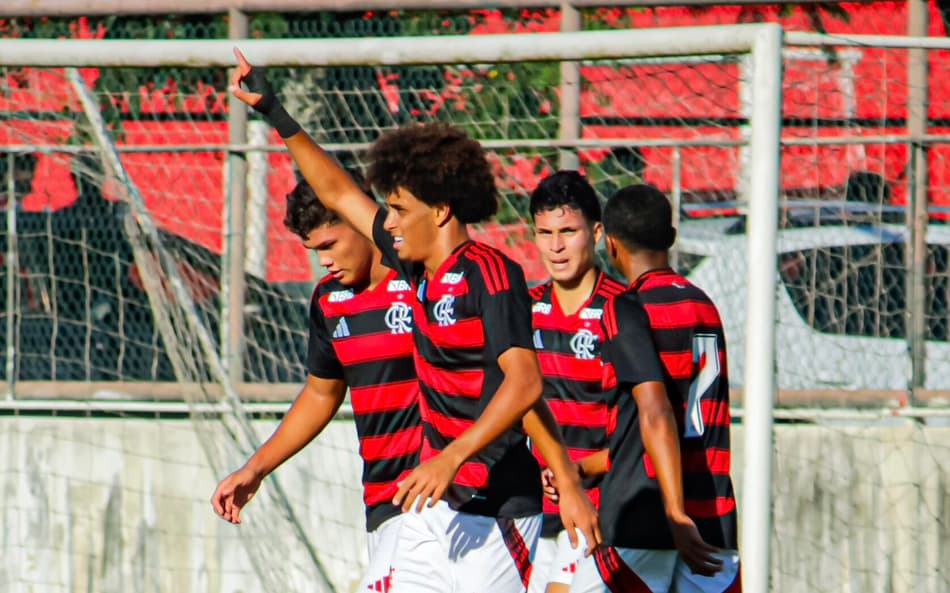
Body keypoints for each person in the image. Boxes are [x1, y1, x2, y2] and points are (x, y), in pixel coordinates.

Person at [228, 48, 600, 593]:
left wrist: (552, 475)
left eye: (400, 209)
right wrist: (275, 112)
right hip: (431, 505)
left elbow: (523, 384)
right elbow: (336, 192)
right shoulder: (414, 266)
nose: (389, 222)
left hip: (495, 507)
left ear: (441, 210)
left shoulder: (490, 274)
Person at [210, 177, 421, 593]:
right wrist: (256, 468)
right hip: (382, 497)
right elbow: (321, 393)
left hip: (438, 493)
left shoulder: (420, 279)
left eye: (328, 245)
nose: (323, 261)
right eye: (313, 251)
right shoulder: (328, 300)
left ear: (361, 222)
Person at [569, 184, 740, 593]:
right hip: (713, 512)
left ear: (610, 244)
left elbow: (656, 412)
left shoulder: (626, 307)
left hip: (647, 516)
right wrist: (586, 467)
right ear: (672, 237)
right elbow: (670, 422)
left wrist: (674, 512)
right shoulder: (703, 304)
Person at [523, 171, 625, 593]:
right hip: (529, 509)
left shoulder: (622, 312)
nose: (556, 246)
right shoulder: (522, 310)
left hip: (597, 507)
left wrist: (579, 472)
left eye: (568, 231)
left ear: (597, 232)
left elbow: (641, 431)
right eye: (545, 233)